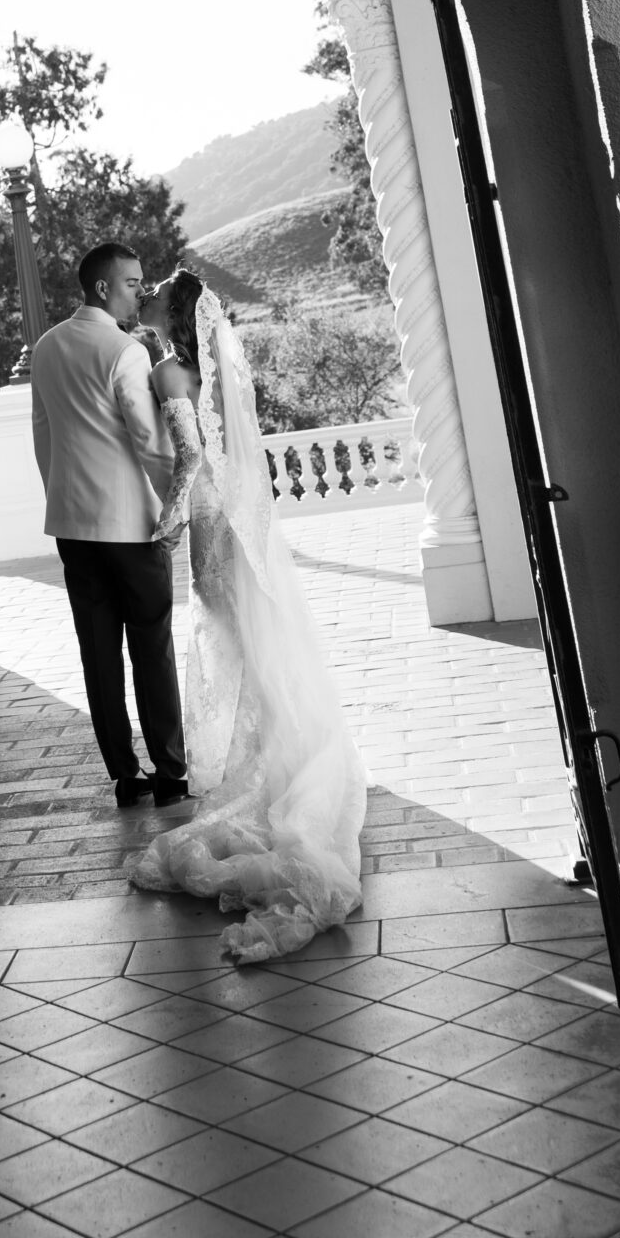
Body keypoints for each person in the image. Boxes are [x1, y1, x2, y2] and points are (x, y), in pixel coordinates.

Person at [124, 268, 366, 962]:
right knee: (256, 653)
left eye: (154, 294)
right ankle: (284, 758)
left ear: (174, 314)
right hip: (242, 523)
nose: (146, 298)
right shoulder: (216, 372)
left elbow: (190, 458)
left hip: (209, 524)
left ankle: (266, 774)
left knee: (233, 647)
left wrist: (167, 525)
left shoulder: (168, 374)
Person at [29, 241, 190, 809]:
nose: (139, 293)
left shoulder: (46, 347)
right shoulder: (125, 351)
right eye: (131, 283)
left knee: (98, 654)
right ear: (103, 288)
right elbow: (152, 445)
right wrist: (175, 504)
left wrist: (62, 498)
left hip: (72, 526)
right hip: (130, 527)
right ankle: (170, 775)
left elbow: (43, 435)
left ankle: (125, 776)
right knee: (152, 648)